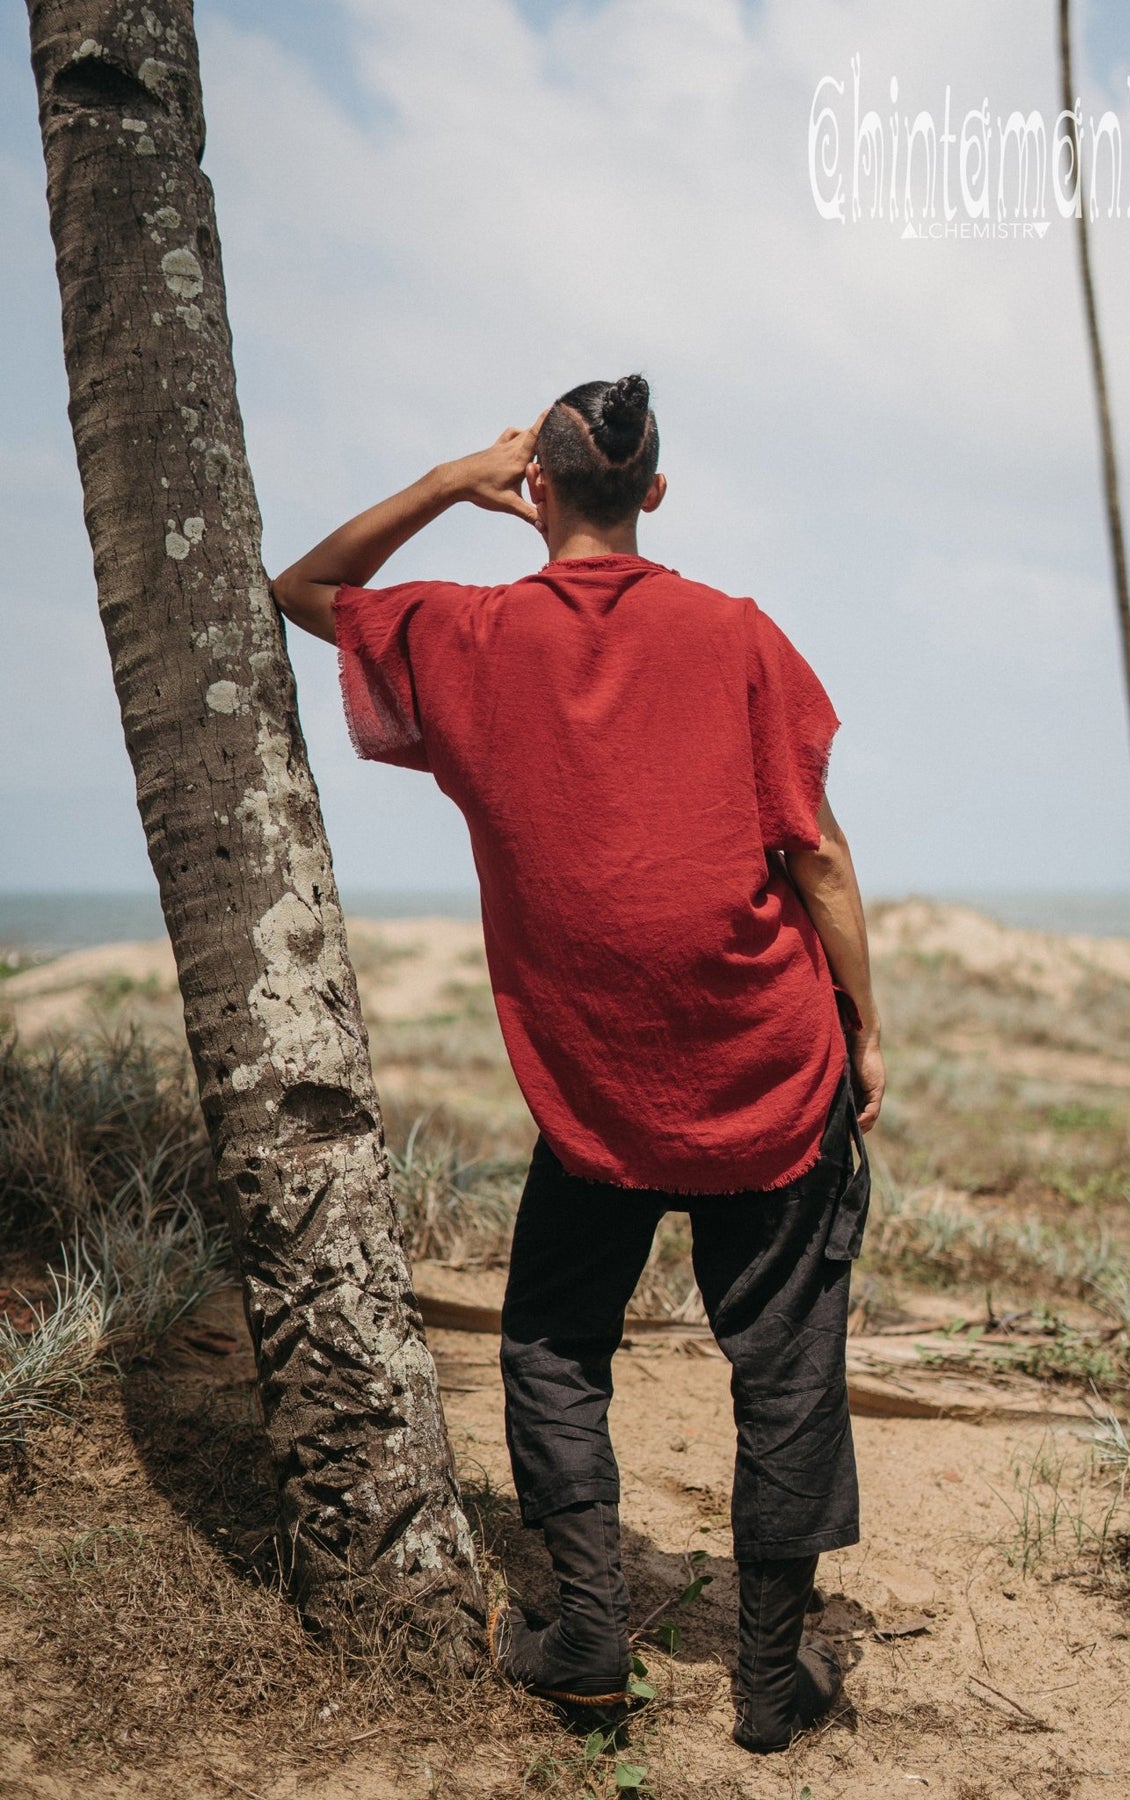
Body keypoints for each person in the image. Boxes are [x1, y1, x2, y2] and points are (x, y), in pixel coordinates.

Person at [271, 375, 884, 1754]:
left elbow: (303, 589)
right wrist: (868, 1022)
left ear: (532, 490)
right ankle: (773, 1685)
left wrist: (445, 481)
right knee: (785, 1367)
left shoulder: (469, 634)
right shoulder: (735, 634)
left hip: (598, 1091)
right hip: (772, 1072)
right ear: (654, 493)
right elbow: (820, 857)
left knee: (553, 1346)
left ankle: (587, 1638)